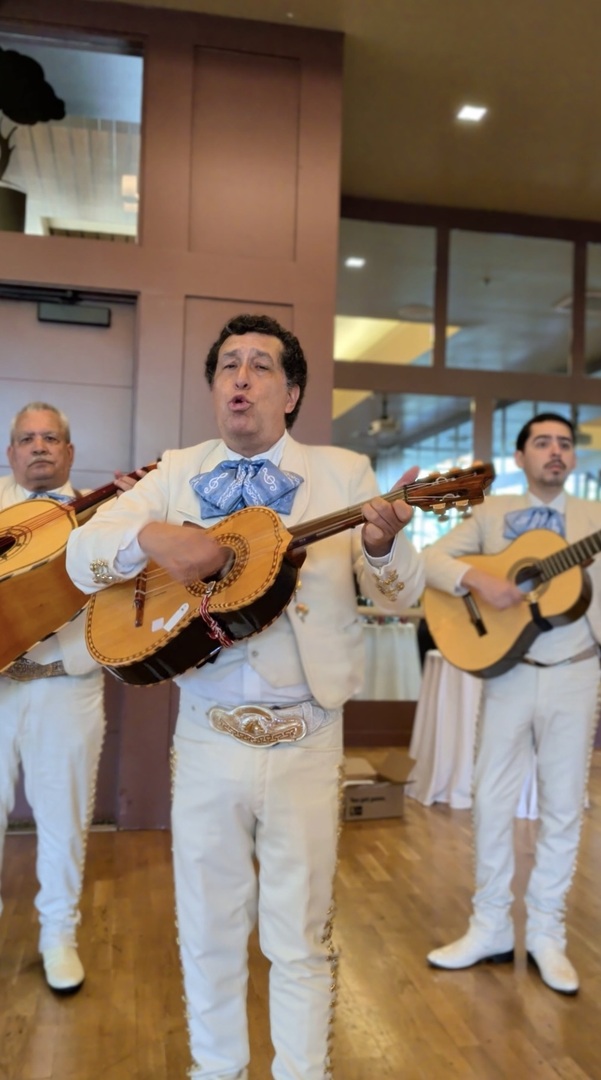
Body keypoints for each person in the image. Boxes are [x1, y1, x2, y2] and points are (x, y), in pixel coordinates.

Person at [66, 312, 424, 1080]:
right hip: (206, 733)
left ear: (289, 393)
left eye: (261, 365)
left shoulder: (345, 471)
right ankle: (215, 1069)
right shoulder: (175, 470)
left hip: (307, 734)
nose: (241, 377)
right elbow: (83, 550)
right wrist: (155, 537)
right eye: (229, 364)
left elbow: (401, 592)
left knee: (300, 935)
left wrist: (382, 543)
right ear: (213, 388)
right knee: (208, 928)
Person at [424, 411, 601, 995]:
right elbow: (431, 560)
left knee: (563, 805)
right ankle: (490, 926)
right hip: (509, 672)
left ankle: (548, 934)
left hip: (577, 672)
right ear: (521, 456)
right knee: (492, 798)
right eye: (542, 442)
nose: (556, 451)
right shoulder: (491, 512)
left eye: (565, 444)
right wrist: (480, 581)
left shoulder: (595, 518)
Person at [0, 401, 138, 994]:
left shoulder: (103, 515)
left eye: (51, 438)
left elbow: (127, 589)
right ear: (11, 452)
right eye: (27, 438)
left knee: (64, 820)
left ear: (70, 451)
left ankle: (59, 936)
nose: (39, 446)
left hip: (67, 685)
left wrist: (130, 517)